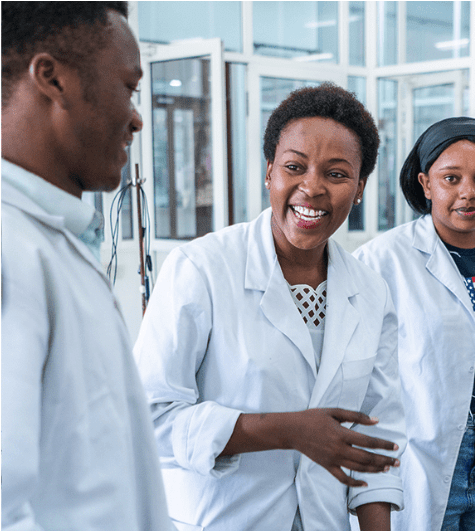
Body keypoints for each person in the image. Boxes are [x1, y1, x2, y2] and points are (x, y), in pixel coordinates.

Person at [133, 83, 405, 531]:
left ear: (359, 188)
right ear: (269, 174)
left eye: (337, 175)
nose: (312, 188)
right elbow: (149, 419)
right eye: (294, 167)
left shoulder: (371, 290)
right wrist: (287, 429)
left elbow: (376, 432)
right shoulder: (201, 269)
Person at [1, 3, 172, 530]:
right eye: (128, 86)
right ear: (52, 78)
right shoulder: (11, 250)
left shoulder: (51, 239)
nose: (137, 117)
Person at [354, 117, 475, 531]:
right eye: (451, 178)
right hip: (418, 453)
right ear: (425, 184)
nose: (468, 193)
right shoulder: (382, 260)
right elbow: (363, 384)